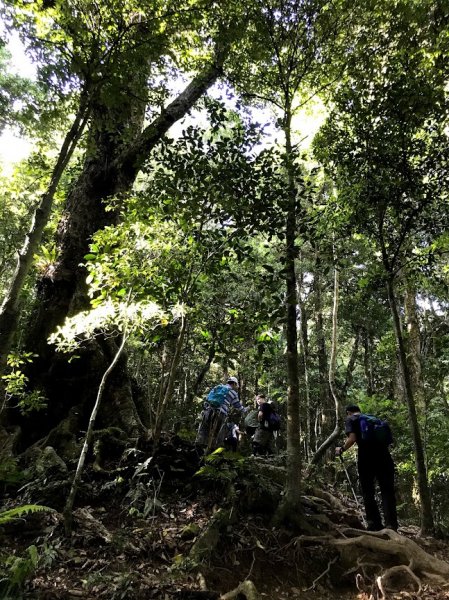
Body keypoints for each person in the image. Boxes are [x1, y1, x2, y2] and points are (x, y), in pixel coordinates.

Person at [335, 404, 398, 531]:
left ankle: (374, 524)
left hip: (366, 458)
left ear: (348, 412)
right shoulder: (373, 418)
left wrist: (341, 449)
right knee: (387, 491)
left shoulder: (351, 419)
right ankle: (391, 525)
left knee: (368, 491)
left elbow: (352, 439)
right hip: (385, 456)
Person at [195, 376, 246, 452]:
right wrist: (245, 410)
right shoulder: (233, 393)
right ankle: (212, 451)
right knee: (218, 433)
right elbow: (238, 406)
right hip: (221, 413)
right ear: (234, 384)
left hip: (208, 410)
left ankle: (198, 447)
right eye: (236, 385)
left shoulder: (217, 387)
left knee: (204, 429)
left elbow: (208, 398)